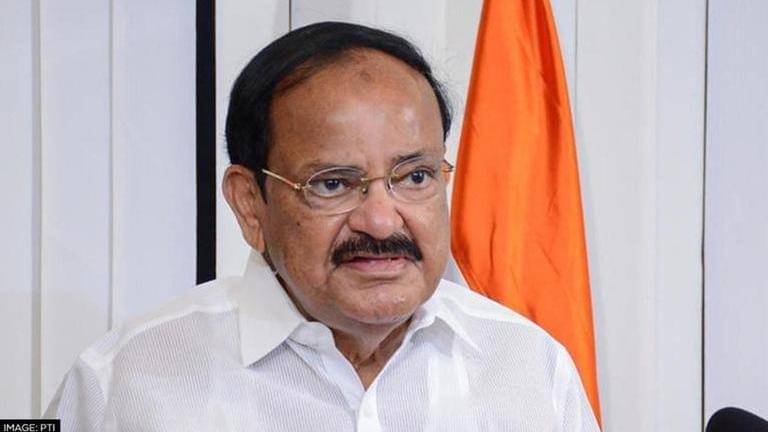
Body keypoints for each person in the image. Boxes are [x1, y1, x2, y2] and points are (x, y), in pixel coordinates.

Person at [46, 22, 600, 431]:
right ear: (250, 204)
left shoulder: (530, 367)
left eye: (415, 177)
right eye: (333, 184)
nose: (380, 220)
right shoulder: (124, 383)